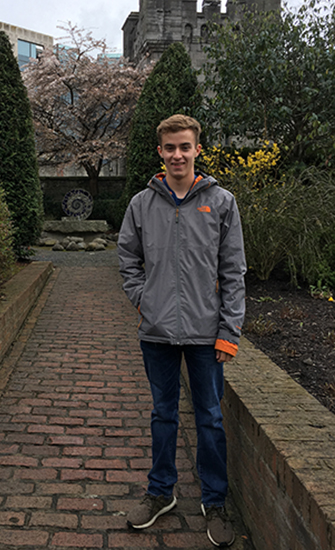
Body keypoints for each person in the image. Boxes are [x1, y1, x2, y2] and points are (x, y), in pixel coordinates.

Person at [117, 114, 246, 547]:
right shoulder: (141, 204)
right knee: (162, 415)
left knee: (210, 418)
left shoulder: (222, 202)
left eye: (185, 147)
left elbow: (234, 272)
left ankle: (215, 501)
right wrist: (143, 299)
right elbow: (127, 258)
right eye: (170, 148)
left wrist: (230, 331)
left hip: (207, 334)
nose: (178, 155)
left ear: (197, 149)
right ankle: (160, 493)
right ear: (160, 152)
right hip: (157, 334)